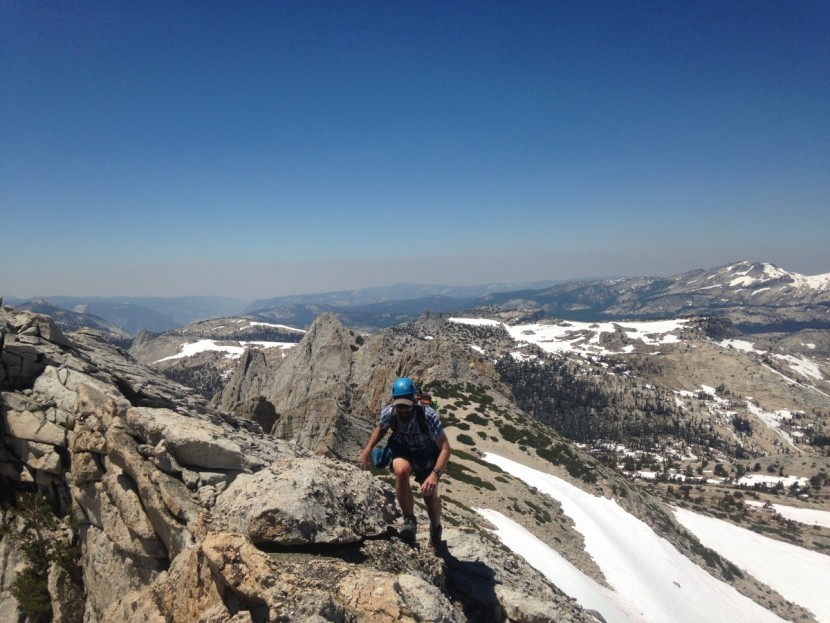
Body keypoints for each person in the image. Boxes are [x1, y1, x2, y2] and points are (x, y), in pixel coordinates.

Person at [359, 377, 451, 549]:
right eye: (399, 405)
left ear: (415, 400)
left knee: (430, 498)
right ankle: (409, 521)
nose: (402, 410)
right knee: (401, 471)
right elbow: (381, 428)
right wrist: (367, 450)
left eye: (406, 405)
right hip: (402, 447)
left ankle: (436, 529)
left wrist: (434, 475)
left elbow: (445, 449)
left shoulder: (428, 416)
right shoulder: (390, 412)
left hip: (426, 453)